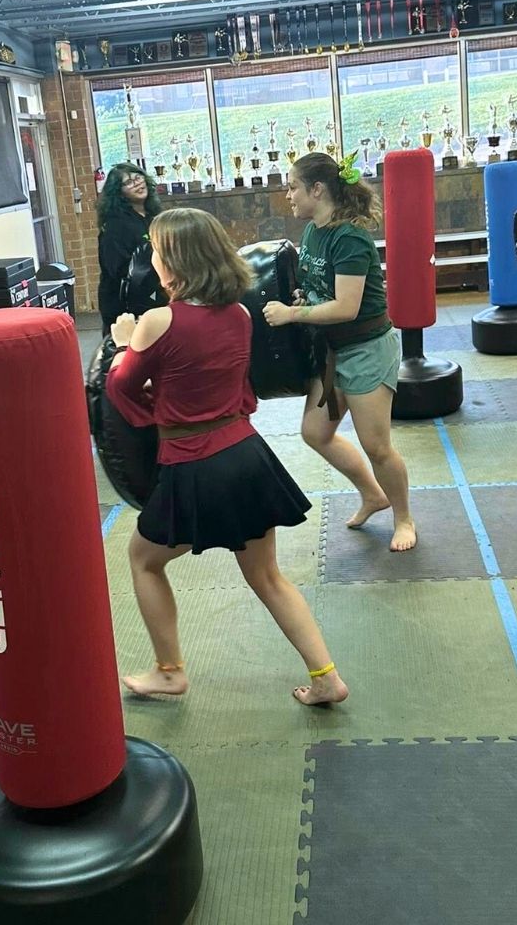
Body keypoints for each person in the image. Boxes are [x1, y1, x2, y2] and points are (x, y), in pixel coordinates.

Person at [106, 207, 347, 706]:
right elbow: (239, 389)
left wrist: (124, 346)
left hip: (194, 464)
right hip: (245, 455)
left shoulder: (158, 321)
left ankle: (169, 671)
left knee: (143, 560)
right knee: (266, 576)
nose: (152, 258)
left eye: (156, 250)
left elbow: (122, 390)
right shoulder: (238, 314)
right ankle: (326, 676)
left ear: (175, 261)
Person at [263, 151, 416, 553]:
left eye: (294, 186)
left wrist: (293, 313)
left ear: (317, 189)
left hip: (366, 351)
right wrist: (303, 296)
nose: (289, 195)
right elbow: (320, 288)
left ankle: (404, 518)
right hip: (332, 353)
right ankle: (372, 494)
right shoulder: (314, 230)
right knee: (315, 432)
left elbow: (347, 307)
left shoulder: (349, 238)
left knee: (376, 446)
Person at [97, 162, 162, 335]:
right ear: (118, 192)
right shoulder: (115, 226)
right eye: (128, 182)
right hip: (124, 304)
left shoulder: (152, 216)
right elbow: (118, 270)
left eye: (138, 177)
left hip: (152, 295)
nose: (137, 184)